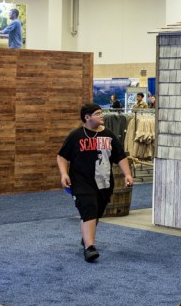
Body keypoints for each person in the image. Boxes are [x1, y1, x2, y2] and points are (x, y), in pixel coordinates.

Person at [57, 103, 134, 262]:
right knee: (89, 207)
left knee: (96, 211)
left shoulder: (109, 135)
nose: (102, 116)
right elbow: (62, 156)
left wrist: (127, 174)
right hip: (81, 182)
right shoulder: (76, 136)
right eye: (98, 113)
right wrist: (64, 174)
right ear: (87, 117)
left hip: (104, 182)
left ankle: (87, 237)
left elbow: (120, 156)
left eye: (101, 113)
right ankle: (89, 247)